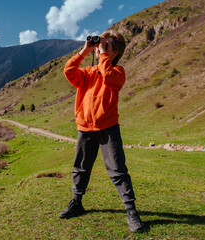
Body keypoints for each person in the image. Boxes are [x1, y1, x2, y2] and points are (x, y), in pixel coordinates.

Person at [59, 29, 145, 233]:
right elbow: (69, 71)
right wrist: (84, 51)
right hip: (85, 127)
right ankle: (76, 202)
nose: (100, 50)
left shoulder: (118, 72)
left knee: (118, 171)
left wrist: (104, 54)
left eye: (106, 47)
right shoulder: (87, 73)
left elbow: (108, 76)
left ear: (115, 53)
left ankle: (131, 211)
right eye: (100, 47)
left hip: (108, 128)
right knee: (80, 168)